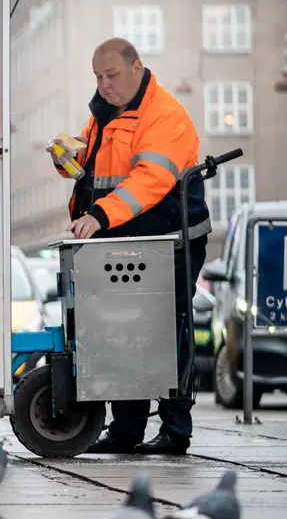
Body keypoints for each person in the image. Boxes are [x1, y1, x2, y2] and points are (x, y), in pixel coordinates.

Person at [58, 37, 210, 457]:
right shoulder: (106, 113)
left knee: (166, 329)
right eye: (97, 77)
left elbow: (150, 180)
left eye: (111, 75)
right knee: (123, 330)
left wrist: (100, 216)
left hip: (169, 240)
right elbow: (96, 165)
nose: (103, 85)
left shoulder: (164, 116)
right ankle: (126, 431)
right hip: (128, 240)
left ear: (137, 69)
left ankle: (176, 429)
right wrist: (70, 158)